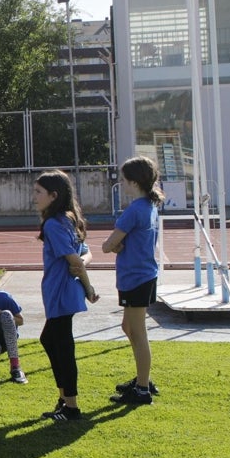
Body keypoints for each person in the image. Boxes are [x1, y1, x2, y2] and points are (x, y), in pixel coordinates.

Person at [33, 169, 101, 423]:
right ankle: (64, 398)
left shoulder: (54, 223)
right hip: (63, 291)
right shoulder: (67, 219)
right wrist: (82, 265)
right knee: (49, 340)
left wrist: (89, 288)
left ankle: (70, 406)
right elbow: (85, 254)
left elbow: (76, 258)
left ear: (54, 195)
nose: (34, 197)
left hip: (62, 292)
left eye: (39, 192)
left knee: (62, 346)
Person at [103, 156, 164, 405]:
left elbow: (108, 245)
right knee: (128, 328)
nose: (122, 184)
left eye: (125, 180)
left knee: (138, 334)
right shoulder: (149, 206)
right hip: (143, 275)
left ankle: (142, 388)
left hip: (136, 277)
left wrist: (115, 246)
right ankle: (142, 377)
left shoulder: (134, 210)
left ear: (135, 182)